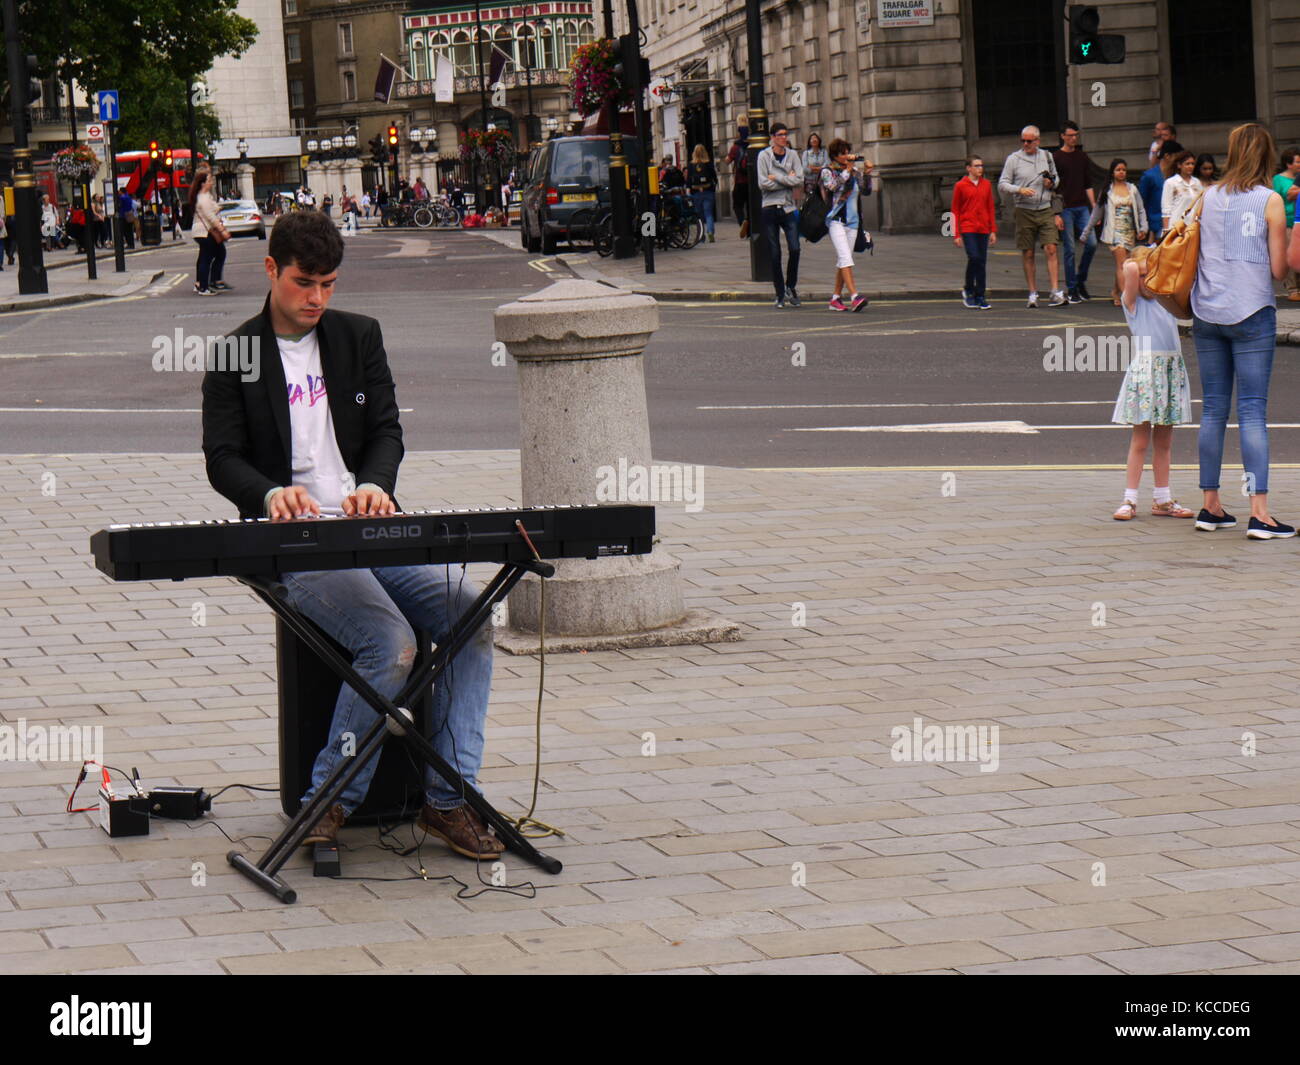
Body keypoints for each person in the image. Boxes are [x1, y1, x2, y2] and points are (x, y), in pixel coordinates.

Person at [200, 211, 504, 858]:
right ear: (270, 270)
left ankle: (448, 800)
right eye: (304, 282)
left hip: (371, 526)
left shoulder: (360, 337)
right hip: (298, 542)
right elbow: (222, 457)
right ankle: (327, 800)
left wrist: (375, 481)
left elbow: (388, 428)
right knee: (391, 642)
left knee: (470, 615)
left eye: (329, 284)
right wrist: (269, 493)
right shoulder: (235, 355)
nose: (316, 298)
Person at [1191, 122, 1292, 540]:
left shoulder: (1207, 197)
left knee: (1214, 409)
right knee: (1252, 410)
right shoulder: (1270, 201)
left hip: (1206, 311)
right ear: (1267, 155)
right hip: (1251, 311)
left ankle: (1210, 506)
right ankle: (1259, 512)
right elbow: (1277, 269)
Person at [1110, 248, 1194, 521]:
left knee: (1164, 442)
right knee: (1141, 440)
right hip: (1147, 371)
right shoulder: (1131, 302)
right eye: (1145, 274)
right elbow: (1130, 269)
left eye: (1152, 273)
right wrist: (1145, 261)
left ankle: (1162, 498)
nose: (1147, 278)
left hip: (1170, 369)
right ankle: (1129, 499)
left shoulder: (1168, 301)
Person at [998, 125, 1065, 308]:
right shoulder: (1014, 159)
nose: (1026, 144)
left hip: (1045, 208)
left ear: (1038, 141)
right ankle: (1033, 293)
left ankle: (1054, 291)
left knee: (1051, 248)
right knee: (1028, 252)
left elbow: (1056, 180)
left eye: (1029, 141)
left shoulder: (1047, 156)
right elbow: (1002, 184)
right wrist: (1019, 189)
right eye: (1023, 141)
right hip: (1024, 210)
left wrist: (1050, 182)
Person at [757, 122, 804, 309]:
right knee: (775, 253)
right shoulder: (763, 156)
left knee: (795, 248)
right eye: (780, 134)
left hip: (788, 208)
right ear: (773, 137)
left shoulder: (793, 155)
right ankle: (779, 292)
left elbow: (799, 179)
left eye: (786, 134)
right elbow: (762, 183)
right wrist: (788, 179)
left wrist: (776, 177)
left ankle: (790, 287)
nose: (784, 137)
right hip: (769, 207)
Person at [1089, 158, 1148, 305]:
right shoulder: (1107, 191)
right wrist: (1086, 231)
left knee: (1125, 263)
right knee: (1122, 264)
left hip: (1130, 232)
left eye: (1123, 170)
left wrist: (1143, 227)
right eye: (1118, 170)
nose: (1121, 172)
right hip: (1114, 232)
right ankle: (1125, 294)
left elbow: (1140, 210)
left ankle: (1115, 291)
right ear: (1113, 172)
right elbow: (1097, 212)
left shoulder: (1132, 189)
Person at [821, 138, 870, 312]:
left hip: (853, 222)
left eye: (847, 152)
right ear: (834, 155)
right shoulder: (828, 171)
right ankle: (854, 296)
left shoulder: (855, 171)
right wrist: (847, 171)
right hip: (836, 221)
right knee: (845, 258)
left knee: (844, 260)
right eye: (842, 153)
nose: (845, 156)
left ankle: (835, 298)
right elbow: (833, 187)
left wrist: (868, 173)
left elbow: (866, 190)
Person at [1052, 120, 1098, 302]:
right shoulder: (1056, 158)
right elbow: (1053, 187)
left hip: (1082, 206)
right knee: (1069, 248)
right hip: (1065, 208)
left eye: (1075, 135)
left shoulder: (1082, 157)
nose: (1073, 138)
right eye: (1070, 135)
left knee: (1092, 243)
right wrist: (1056, 213)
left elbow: (1088, 183)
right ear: (1062, 136)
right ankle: (1071, 288)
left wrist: (1094, 206)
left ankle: (1080, 280)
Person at [952, 155, 997, 310]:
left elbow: (990, 207)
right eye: (976, 166)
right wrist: (956, 234)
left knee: (980, 262)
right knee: (975, 257)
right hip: (968, 227)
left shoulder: (986, 184)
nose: (980, 169)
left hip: (983, 228)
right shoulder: (960, 186)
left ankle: (980, 296)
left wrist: (993, 230)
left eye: (981, 166)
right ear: (968, 168)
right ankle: (970, 289)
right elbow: (955, 210)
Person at [189, 168, 229, 295]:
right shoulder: (203, 198)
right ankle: (205, 287)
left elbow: (213, 210)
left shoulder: (205, 196)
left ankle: (207, 283)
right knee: (209, 257)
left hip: (201, 231)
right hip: (204, 231)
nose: (211, 182)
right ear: (202, 183)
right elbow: (210, 217)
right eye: (209, 180)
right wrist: (222, 231)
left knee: (212, 255)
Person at [1139, 140, 1183, 244]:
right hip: (1156, 223)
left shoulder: (1177, 177)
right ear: (1167, 156)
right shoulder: (1149, 176)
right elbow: (1141, 202)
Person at [1272, 147, 1300, 302]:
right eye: (1297, 162)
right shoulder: (1279, 179)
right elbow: (1282, 197)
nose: (1299, 164)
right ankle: (1292, 289)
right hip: (1287, 221)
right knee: (1290, 256)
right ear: (1288, 164)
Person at [1161, 150, 1203, 232]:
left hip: (1193, 226)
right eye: (1187, 164)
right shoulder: (1171, 182)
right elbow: (1166, 209)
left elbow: (1200, 204)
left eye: (1192, 164)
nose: (1190, 166)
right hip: (1176, 226)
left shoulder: (1197, 182)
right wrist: (1166, 229)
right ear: (1179, 165)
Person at [687, 143, 717, 243]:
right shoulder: (708, 163)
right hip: (708, 190)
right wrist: (715, 186)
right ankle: (710, 232)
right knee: (709, 214)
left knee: (699, 216)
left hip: (696, 192)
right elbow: (714, 176)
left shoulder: (691, 165)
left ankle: (701, 236)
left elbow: (688, 179)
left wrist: (688, 189)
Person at [726, 125, 751, 235]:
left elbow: (727, 161)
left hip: (740, 181)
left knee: (737, 205)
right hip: (751, 181)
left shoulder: (735, 147)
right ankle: (750, 229)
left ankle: (742, 222)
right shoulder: (752, 145)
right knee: (750, 206)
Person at [801, 133, 828, 200]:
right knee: (811, 200)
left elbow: (827, 165)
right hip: (810, 182)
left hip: (823, 181)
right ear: (809, 142)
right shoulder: (806, 153)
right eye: (812, 139)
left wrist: (812, 168)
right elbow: (805, 168)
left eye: (815, 138)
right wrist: (820, 168)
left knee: (824, 199)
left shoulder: (824, 152)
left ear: (819, 140)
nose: (814, 140)